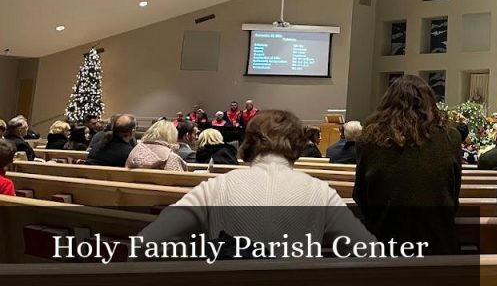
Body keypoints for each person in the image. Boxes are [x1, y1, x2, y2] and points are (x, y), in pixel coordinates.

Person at [139, 109, 373, 249]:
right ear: (298, 146)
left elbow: (144, 244)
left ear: (248, 143)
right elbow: (369, 252)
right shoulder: (321, 193)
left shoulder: (215, 188)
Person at [355, 75, 462, 255]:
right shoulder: (450, 137)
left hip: (384, 244)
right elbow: (453, 192)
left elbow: (361, 196)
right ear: (429, 103)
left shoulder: (368, 139)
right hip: (438, 245)